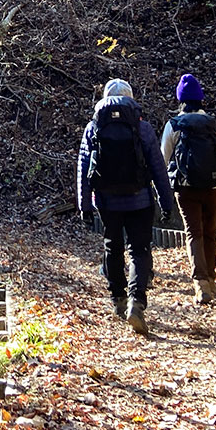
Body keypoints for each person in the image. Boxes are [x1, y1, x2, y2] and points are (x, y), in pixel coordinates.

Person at [78, 78, 174, 336]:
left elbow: (84, 167)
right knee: (140, 250)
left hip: (107, 200)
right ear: (131, 98)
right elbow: (158, 168)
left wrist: (84, 206)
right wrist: (167, 203)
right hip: (140, 199)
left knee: (113, 246)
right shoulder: (142, 128)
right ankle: (137, 302)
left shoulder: (93, 127)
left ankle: (118, 299)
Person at [161, 73, 216, 305]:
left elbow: (161, 160)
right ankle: (211, 278)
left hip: (186, 189)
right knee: (210, 232)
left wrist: (159, 192)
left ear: (180, 100)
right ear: (201, 99)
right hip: (214, 186)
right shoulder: (213, 124)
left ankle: (200, 284)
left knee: (193, 233)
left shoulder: (173, 125)